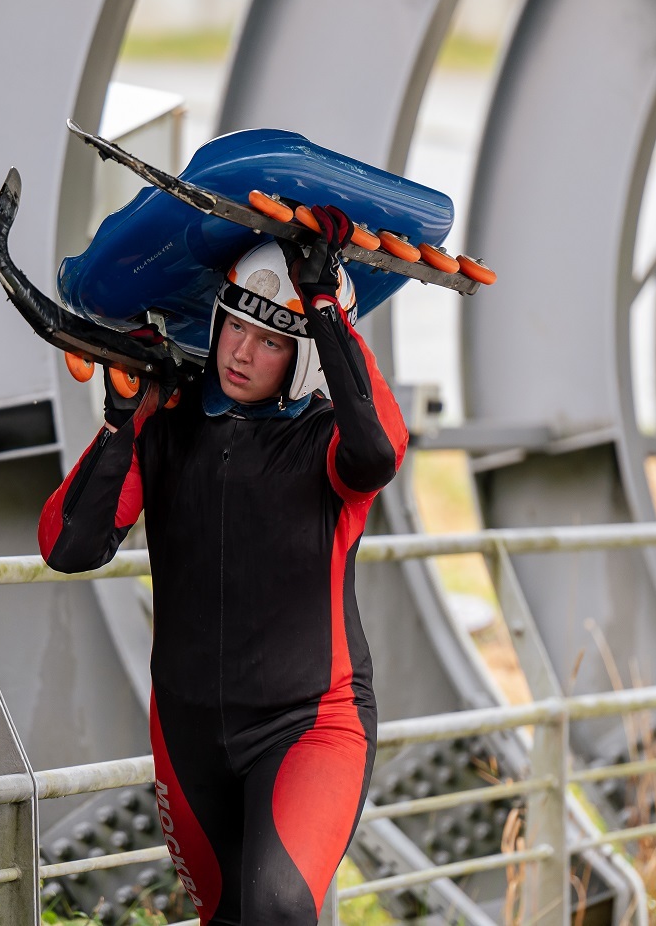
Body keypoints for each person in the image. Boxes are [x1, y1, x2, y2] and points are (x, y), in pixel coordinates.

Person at [37, 210, 408, 926]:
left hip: (310, 723)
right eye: (235, 324)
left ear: (302, 358)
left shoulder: (330, 444)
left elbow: (379, 450)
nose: (241, 352)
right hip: (188, 733)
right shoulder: (169, 427)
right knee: (228, 919)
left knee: (275, 910)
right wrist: (122, 419)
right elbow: (69, 546)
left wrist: (326, 303)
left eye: (271, 340)